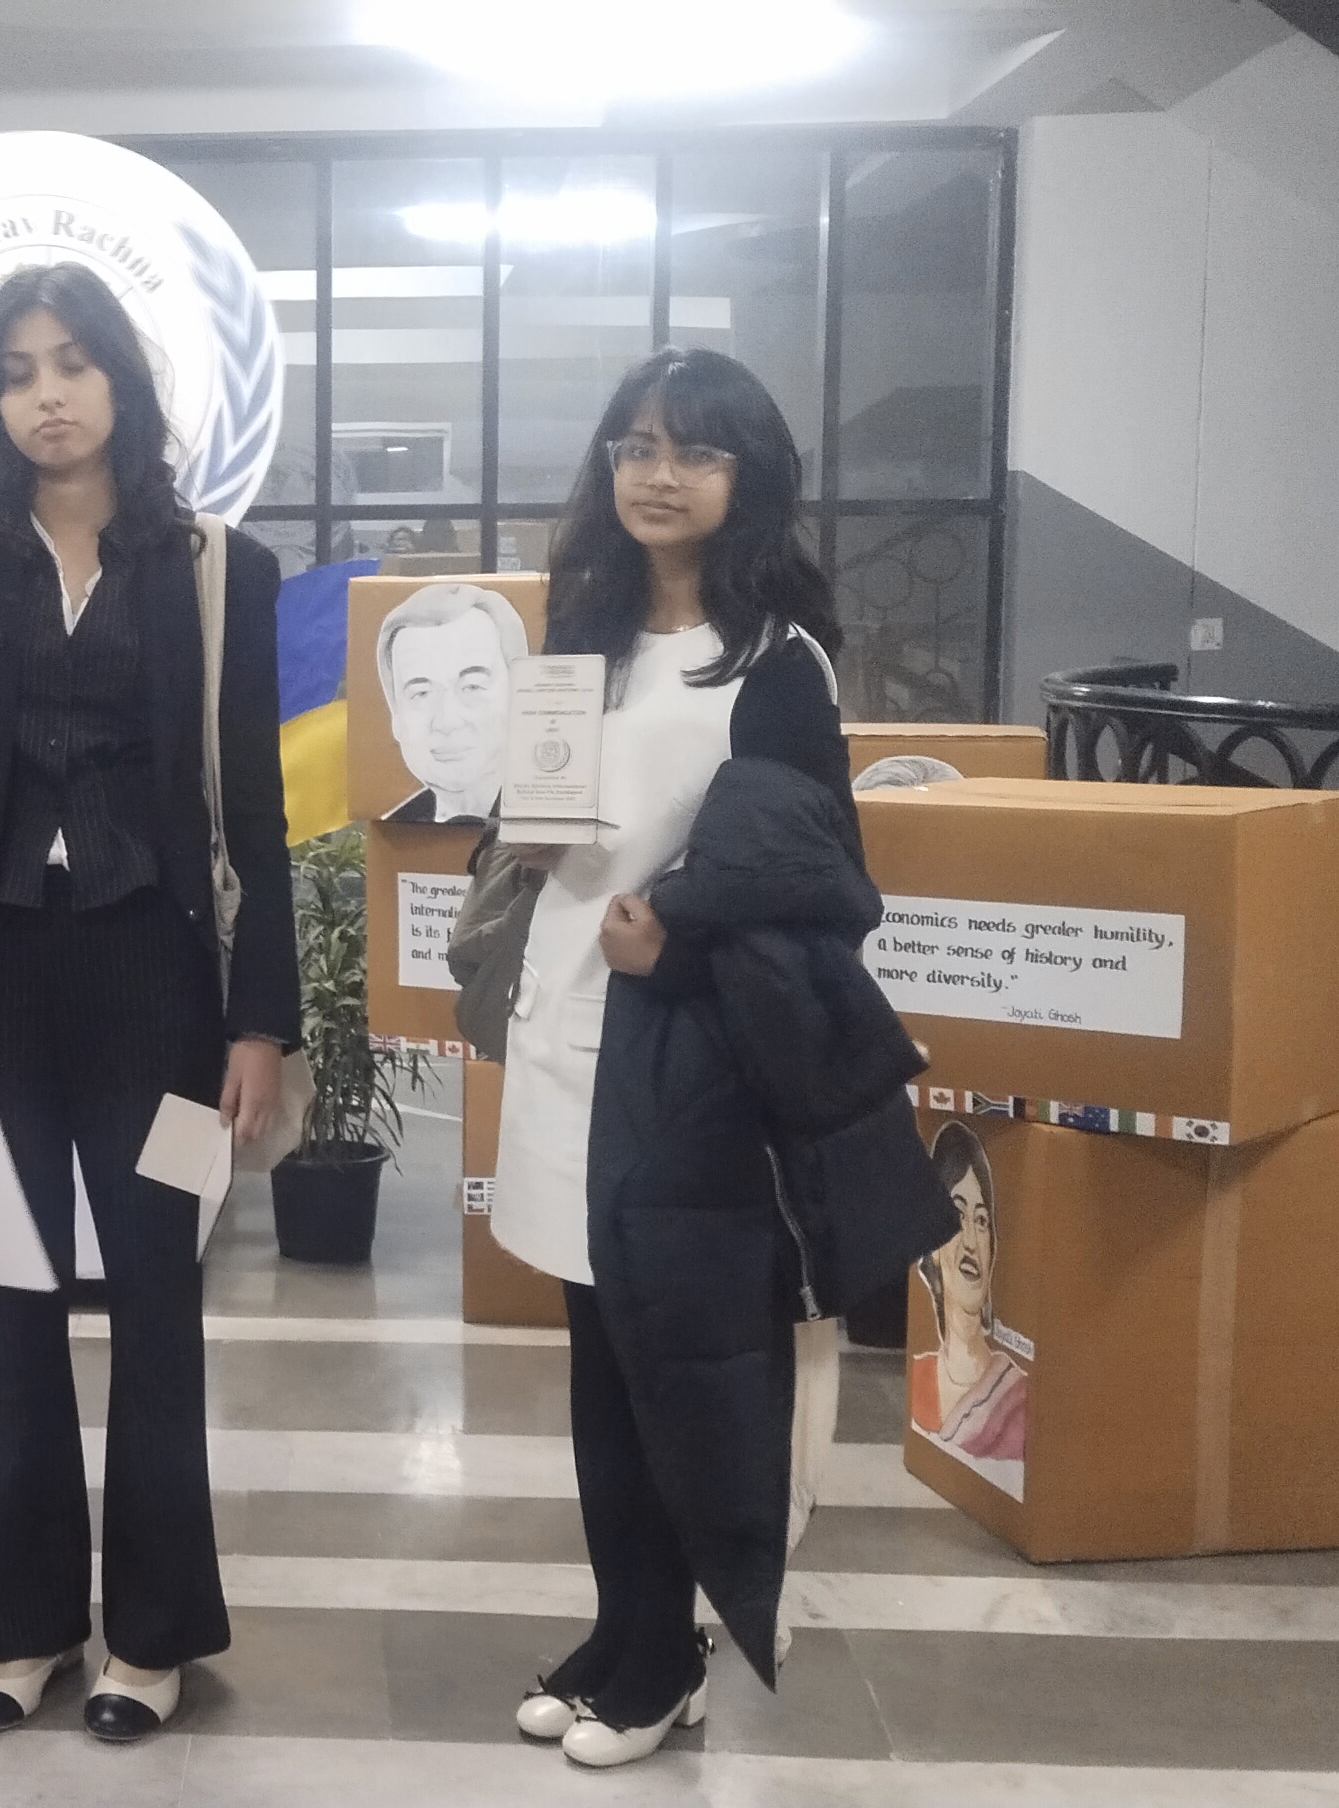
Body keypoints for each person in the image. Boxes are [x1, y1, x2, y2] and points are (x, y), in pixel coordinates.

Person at [491, 347, 946, 1770]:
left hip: (675, 1065)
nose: (657, 474)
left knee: (667, 1367)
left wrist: (676, 946)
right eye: (635, 446)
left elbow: (819, 890)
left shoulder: (775, 667)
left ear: (748, 480)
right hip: (561, 1042)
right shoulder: (580, 636)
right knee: (594, 1351)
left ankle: (663, 1658)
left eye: (694, 451)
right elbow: (557, 824)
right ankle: (626, 1627)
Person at [0, 261, 298, 1745]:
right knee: (12, 1300)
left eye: (72, 362)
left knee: (159, 1306)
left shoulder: (215, 567)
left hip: (156, 985)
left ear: (121, 379)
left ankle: (153, 1634)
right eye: (16, 371)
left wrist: (260, 1022)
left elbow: (256, 809)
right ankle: (25, 1626)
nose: (46, 394)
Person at [912, 1121, 1031, 1491]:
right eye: (957, 1215)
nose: (970, 1241)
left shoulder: (1018, 1401)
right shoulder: (920, 1378)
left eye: (981, 1221)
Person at [375, 581, 527, 824]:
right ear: (396, 718)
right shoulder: (392, 828)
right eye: (421, 693)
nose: (447, 722)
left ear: (518, 697)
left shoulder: (555, 828)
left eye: (472, 687)